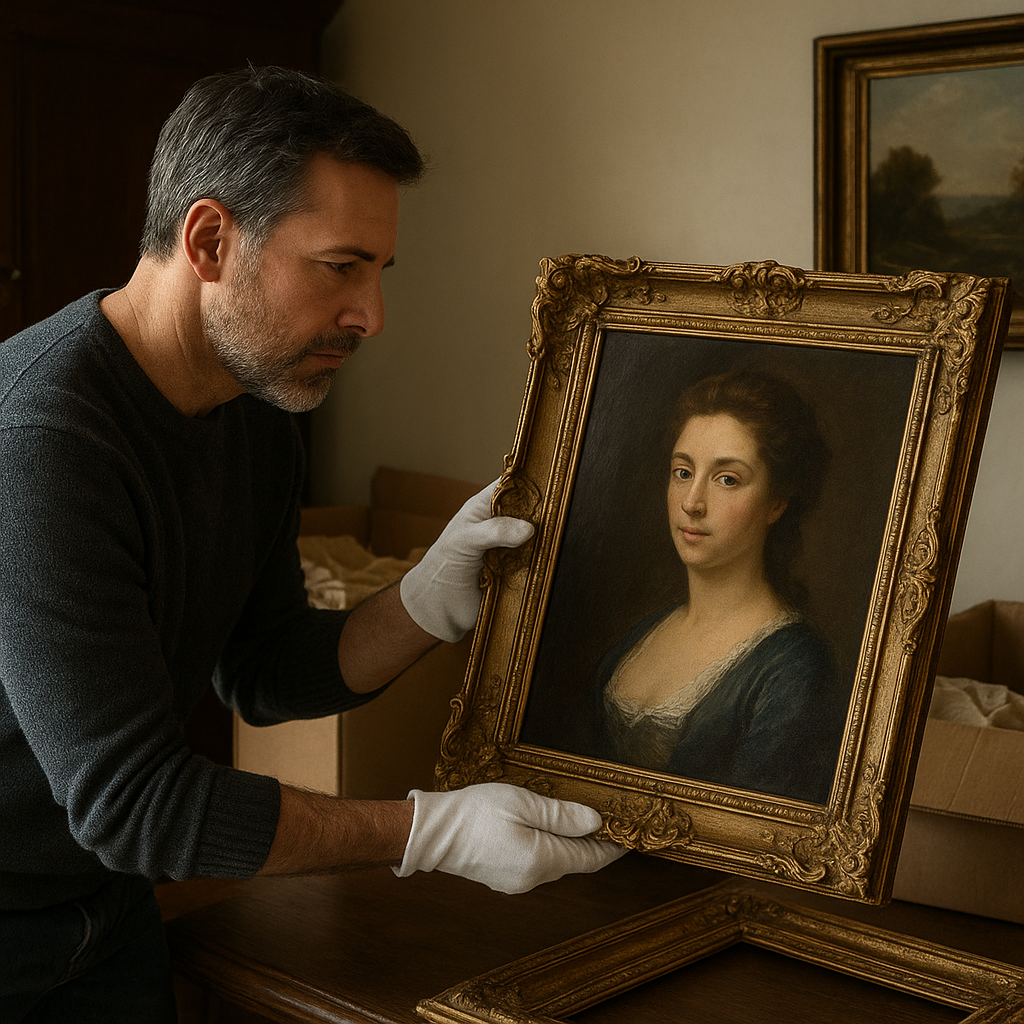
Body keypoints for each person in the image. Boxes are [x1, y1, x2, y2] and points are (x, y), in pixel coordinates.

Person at [0, 66, 622, 1023]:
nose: (371, 316)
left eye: (379, 272)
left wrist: (420, 603)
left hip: (104, 905)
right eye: (340, 267)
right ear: (210, 241)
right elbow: (135, 806)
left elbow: (264, 671)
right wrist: (426, 833)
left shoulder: (253, 414)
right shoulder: (42, 441)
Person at [585, 369, 847, 804]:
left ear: (776, 502)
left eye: (727, 479)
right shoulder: (641, 636)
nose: (692, 502)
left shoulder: (795, 668)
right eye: (683, 472)